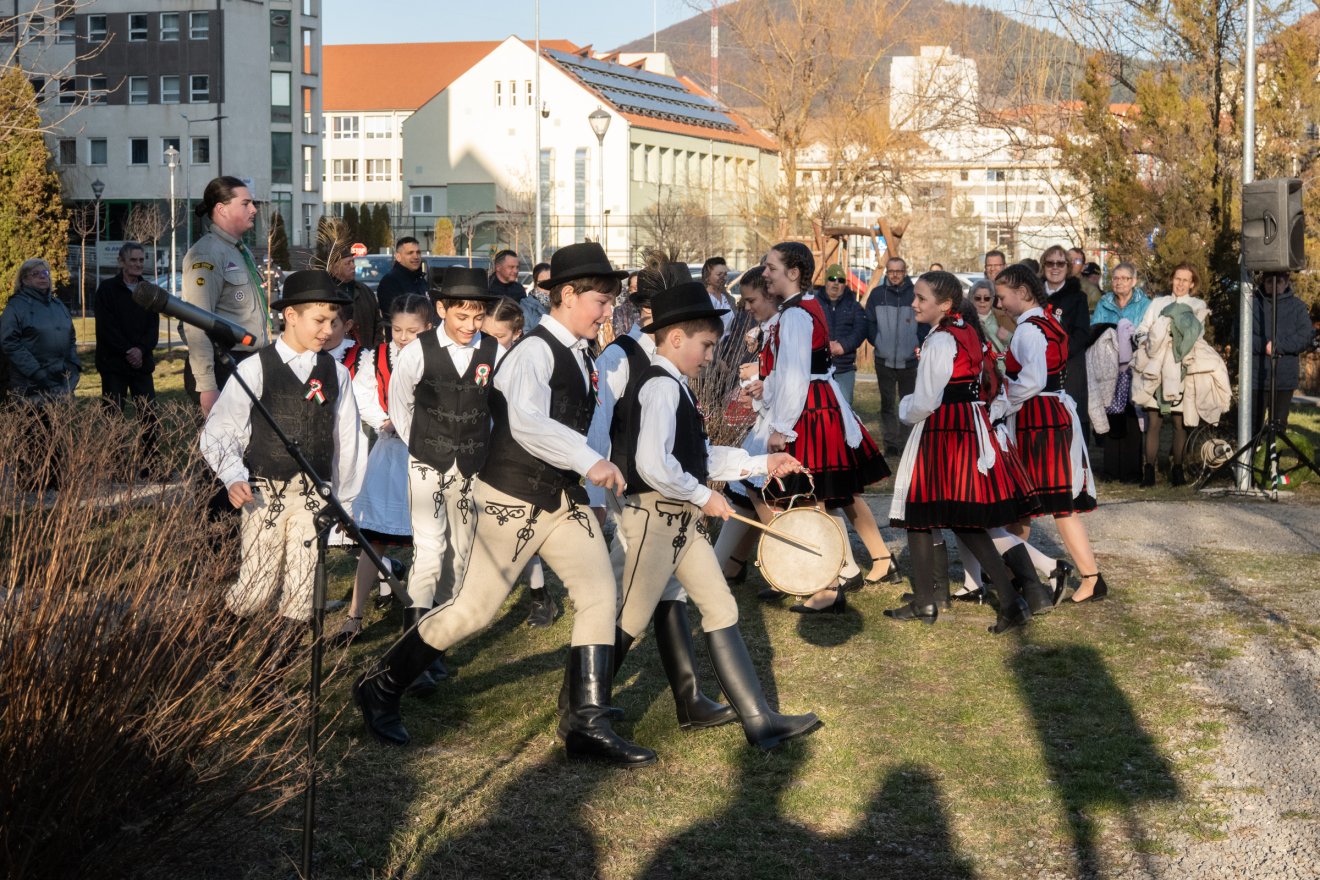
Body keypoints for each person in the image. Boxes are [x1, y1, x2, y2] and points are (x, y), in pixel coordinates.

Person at [354, 242, 655, 768]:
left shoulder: (582, 352)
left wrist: (596, 473)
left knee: (600, 595)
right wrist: (590, 461)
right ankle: (379, 686)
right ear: (567, 295)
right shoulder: (534, 352)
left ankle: (586, 720)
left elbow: (586, 419)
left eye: (611, 301)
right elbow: (528, 423)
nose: (608, 311)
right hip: (513, 496)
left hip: (562, 497)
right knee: (473, 610)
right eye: (601, 301)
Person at [611, 279, 823, 750]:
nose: (710, 357)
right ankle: (579, 711)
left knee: (722, 607)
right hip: (653, 517)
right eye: (706, 346)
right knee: (629, 619)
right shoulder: (661, 387)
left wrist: (762, 463)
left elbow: (698, 458)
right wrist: (702, 496)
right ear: (676, 338)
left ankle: (759, 721)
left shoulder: (676, 386)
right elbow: (652, 464)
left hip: (679, 520)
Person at [199, 270, 366, 703]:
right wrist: (233, 475)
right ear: (290, 315)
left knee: (300, 593)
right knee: (255, 590)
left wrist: (343, 501)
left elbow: (347, 440)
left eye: (334, 321)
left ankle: (267, 684)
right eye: (318, 320)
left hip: (314, 497)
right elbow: (220, 431)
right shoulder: (255, 370)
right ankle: (211, 653)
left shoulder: (337, 374)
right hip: (265, 494)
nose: (327, 330)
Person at [736, 244, 896, 613]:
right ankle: (835, 575)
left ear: (793, 273)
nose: (765, 274)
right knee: (815, 498)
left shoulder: (795, 315)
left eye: (771, 267)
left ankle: (827, 586)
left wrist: (780, 429)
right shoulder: (802, 309)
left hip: (809, 409)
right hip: (815, 403)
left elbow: (794, 378)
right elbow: (785, 374)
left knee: (810, 499)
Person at [884, 271, 1044, 632]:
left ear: (945, 304)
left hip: (945, 429)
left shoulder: (941, 340)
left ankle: (992, 599)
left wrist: (903, 409)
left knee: (931, 511)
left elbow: (925, 400)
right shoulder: (966, 330)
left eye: (921, 298)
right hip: (966, 424)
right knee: (951, 516)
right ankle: (977, 598)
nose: (914, 303)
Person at [387, 267, 504, 688]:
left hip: (471, 465)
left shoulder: (494, 350)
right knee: (430, 549)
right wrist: (420, 443)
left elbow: (499, 407)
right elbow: (399, 402)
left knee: (461, 553)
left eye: (477, 318)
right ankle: (411, 649)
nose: (470, 327)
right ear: (441, 309)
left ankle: (437, 641)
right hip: (427, 461)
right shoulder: (417, 351)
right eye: (461, 317)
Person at [991, 264, 1107, 605]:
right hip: (1049, 413)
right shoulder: (1046, 322)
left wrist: (1000, 403)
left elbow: (1033, 380)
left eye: (1002, 297)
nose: (1000, 304)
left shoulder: (1029, 330)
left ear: (1023, 293)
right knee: (1024, 504)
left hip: (1039, 418)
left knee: (1056, 503)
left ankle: (1090, 577)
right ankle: (1017, 575)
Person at [332, 294, 433, 649]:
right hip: (390, 454)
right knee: (372, 538)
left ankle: (423, 615)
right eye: (397, 329)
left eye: (412, 330)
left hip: (426, 456)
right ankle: (354, 616)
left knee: (429, 539)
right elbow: (361, 394)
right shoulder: (376, 358)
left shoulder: (436, 358)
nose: (403, 337)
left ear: (428, 329)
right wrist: (383, 420)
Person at [181, 176, 270, 415]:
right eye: (245, 203)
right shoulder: (207, 254)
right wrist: (207, 386)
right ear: (221, 209)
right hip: (224, 367)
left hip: (246, 365)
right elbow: (196, 322)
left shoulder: (239, 250)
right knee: (222, 449)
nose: (253, 209)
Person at [1132, 264, 1208, 487]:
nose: (1181, 283)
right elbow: (1143, 329)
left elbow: (1196, 334)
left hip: (1181, 368)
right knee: (1153, 422)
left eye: (1186, 280)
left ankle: (1178, 470)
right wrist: (1149, 340)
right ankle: (1149, 472)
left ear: (1192, 283)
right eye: (1177, 278)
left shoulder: (1197, 305)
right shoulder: (1158, 303)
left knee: (1179, 423)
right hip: (1156, 366)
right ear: (1172, 280)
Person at [93, 242, 161, 475]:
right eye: (133, 260)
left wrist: (140, 350)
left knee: (149, 415)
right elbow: (105, 327)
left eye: (141, 260)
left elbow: (153, 327)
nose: (138, 264)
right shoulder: (107, 290)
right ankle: (116, 467)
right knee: (114, 417)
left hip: (141, 364)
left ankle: (150, 466)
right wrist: (127, 350)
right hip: (114, 364)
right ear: (121, 262)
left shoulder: (150, 290)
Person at [1090, 262, 1150, 484]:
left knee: (1133, 415)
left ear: (1134, 281)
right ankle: (1111, 469)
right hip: (1109, 365)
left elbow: (1148, 330)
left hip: (1135, 364)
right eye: (1115, 278)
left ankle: (1133, 471)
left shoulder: (1145, 304)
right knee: (1111, 413)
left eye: (1125, 278)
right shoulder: (1104, 303)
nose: (1119, 282)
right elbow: (1095, 328)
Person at [864, 256, 921, 455]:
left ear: (905, 272)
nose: (895, 275)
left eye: (899, 271)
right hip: (884, 359)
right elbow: (869, 322)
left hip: (909, 361)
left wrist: (917, 346)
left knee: (908, 404)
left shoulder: (915, 295)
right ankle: (891, 444)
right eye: (891, 271)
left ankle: (906, 443)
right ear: (887, 272)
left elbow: (922, 323)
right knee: (887, 404)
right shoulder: (878, 294)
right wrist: (877, 342)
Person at [1251, 271, 1315, 433]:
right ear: (1263, 283)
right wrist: (1265, 345)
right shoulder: (1252, 304)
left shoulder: (1298, 307)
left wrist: (1278, 346)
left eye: (1278, 282)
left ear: (1286, 283)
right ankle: (1249, 458)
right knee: (1252, 427)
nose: (1273, 286)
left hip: (1284, 378)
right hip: (1256, 378)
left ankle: (1272, 458)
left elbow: (1305, 337)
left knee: (1278, 428)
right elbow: (1242, 335)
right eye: (1268, 282)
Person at [1041, 245, 1091, 444]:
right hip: (1039, 367)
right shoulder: (1033, 297)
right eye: (1050, 263)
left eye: (1060, 263)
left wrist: (1059, 354)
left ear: (1068, 267)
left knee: (1072, 418)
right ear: (1043, 266)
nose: (1055, 268)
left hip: (1068, 367)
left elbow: (1081, 333)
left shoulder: (1078, 298)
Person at [817, 263, 867, 404]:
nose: (836, 283)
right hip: (818, 368)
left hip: (844, 368)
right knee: (821, 409)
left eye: (841, 280)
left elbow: (861, 330)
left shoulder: (853, 305)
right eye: (832, 278)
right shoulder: (814, 303)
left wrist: (842, 346)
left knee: (845, 410)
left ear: (845, 284)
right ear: (826, 281)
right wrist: (825, 345)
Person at [327, 246, 381, 350]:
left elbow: (378, 323)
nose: (353, 266)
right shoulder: (326, 292)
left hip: (366, 355)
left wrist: (376, 350)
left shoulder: (365, 291)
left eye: (353, 262)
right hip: (335, 356)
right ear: (334, 268)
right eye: (348, 263)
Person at [375, 237, 427, 319]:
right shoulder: (390, 282)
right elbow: (395, 315)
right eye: (410, 253)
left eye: (418, 252)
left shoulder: (420, 280)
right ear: (398, 257)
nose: (416, 256)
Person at [701, 256, 736, 335]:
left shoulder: (729, 300)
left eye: (725, 274)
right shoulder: (703, 299)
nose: (723, 278)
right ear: (707, 277)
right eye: (719, 274)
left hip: (729, 345)